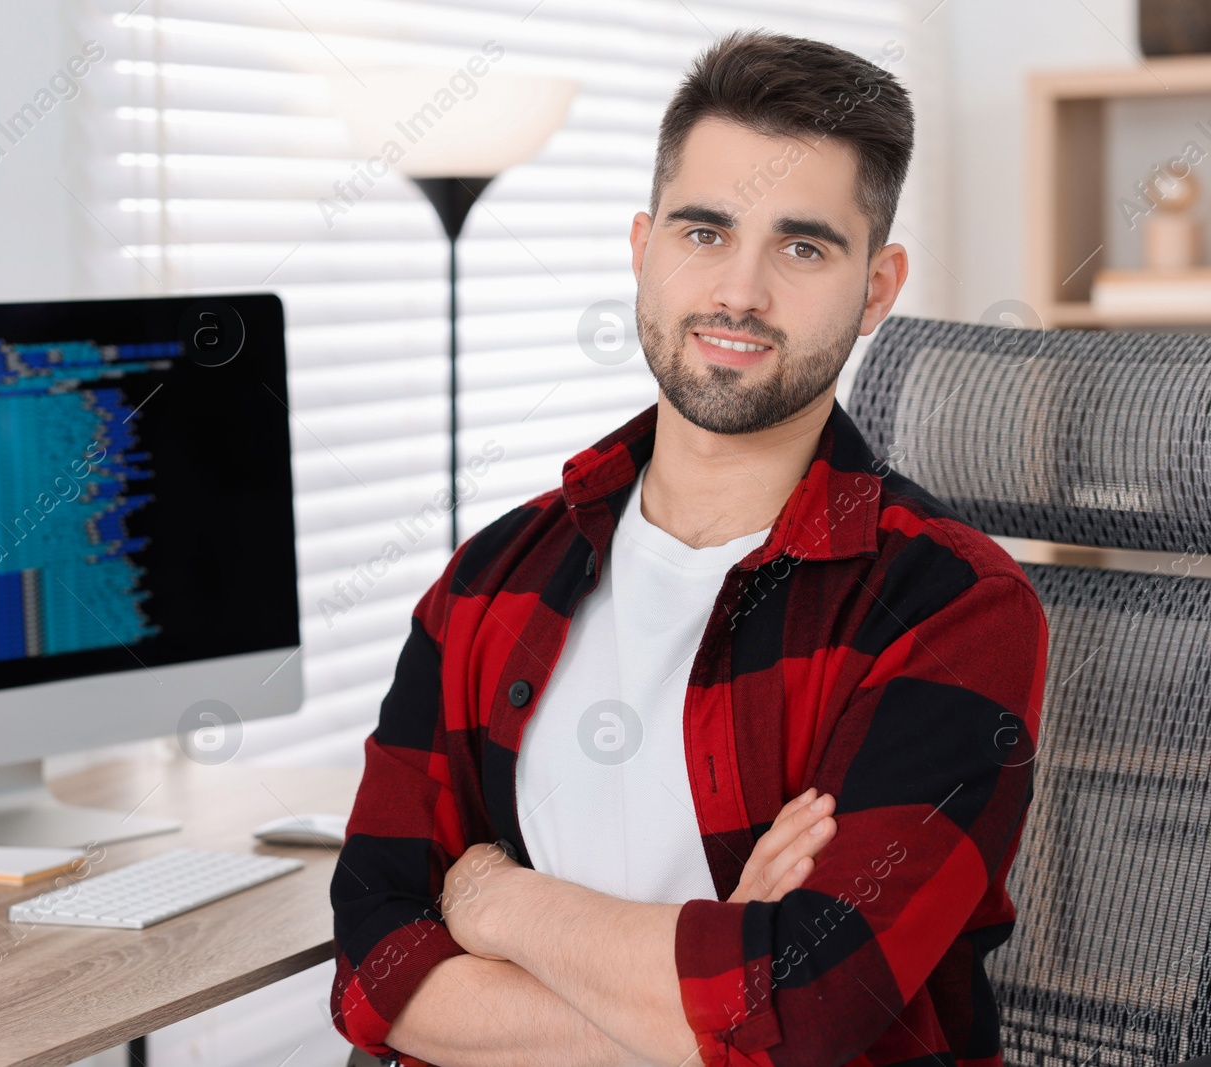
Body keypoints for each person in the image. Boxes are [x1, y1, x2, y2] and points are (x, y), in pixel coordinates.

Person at [329, 28, 1049, 1067]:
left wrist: (494, 899)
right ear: (643, 246)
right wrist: (713, 995)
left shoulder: (952, 609)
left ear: (877, 287)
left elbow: (811, 1011)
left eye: (802, 247)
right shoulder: (493, 579)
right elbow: (374, 968)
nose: (739, 293)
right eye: (704, 232)